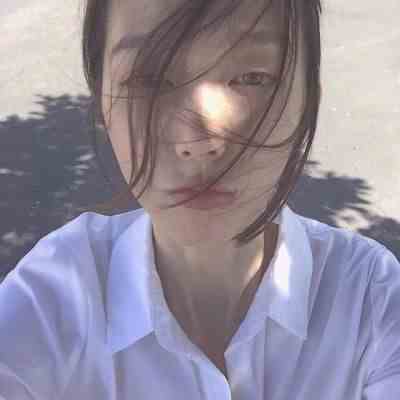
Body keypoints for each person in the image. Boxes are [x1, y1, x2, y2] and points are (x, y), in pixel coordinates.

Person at [0, 0, 399, 398]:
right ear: (100, 100)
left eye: (253, 77)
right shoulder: (50, 299)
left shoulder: (372, 298)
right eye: (148, 80)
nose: (199, 140)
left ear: (308, 97)